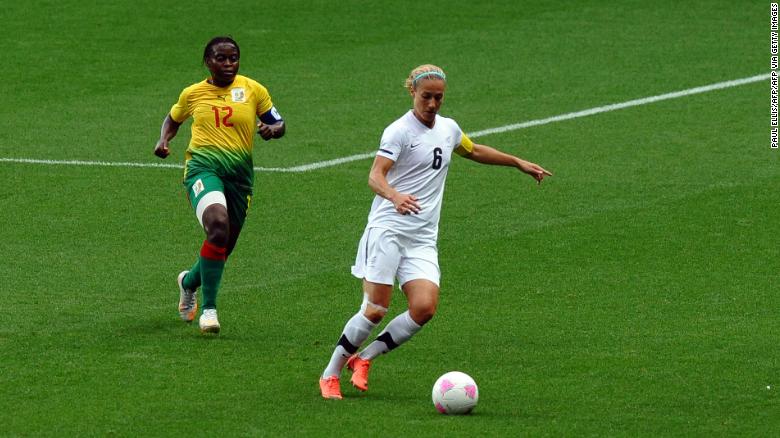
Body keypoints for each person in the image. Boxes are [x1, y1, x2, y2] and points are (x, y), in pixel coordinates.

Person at [318, 64, 552, 399]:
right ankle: (330, 374)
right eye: (426, 96)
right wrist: (394, 196)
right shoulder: (398, 131)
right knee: (375, 309)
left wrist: (517, 162)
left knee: (424, 308)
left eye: (438, 97)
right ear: (412, 92)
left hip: (422, 238)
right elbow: (375, 176)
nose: (432, 103)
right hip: (388, 229)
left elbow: (472, 150)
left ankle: (364, 358)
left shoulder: (448, 128)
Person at [154, 36, 285, 334]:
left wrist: (272, 130)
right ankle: (209, 311)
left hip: (239, 177)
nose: (228, 64)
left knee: (222, 246)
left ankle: (188, 282)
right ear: (207, 61)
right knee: (217, 225)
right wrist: (163, 140)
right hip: (203, 168)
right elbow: (173, 119)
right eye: (221, 58)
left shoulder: (253, 89)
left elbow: (279, 122)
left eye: (233, 58)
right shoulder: (193, 93)